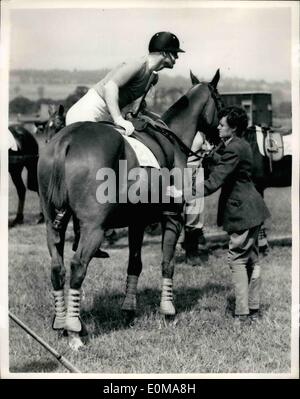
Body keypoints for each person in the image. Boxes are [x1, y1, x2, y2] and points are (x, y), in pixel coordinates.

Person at [170, 106, 271, 323]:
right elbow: (221, 160)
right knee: (252, 259)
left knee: (237, 259)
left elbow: (215, 181)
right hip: (253, 208)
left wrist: (182, 192)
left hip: (243, 210)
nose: (217, 126)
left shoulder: (234, 149)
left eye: (222, 125)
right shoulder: (239, 144)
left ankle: (242, 314)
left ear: (233, 128)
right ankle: (252, 308)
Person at [66, 31, 184, 134]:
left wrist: (159, 121)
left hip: (106, 117)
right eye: (174, 53)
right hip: (87, 113)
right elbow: (110, 87)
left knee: (125, 156)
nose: (177, 57)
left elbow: (134, 109)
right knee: (119, 152)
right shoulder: (137, 64)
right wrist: (118, 119)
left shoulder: (152, 77)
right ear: (164, 53)